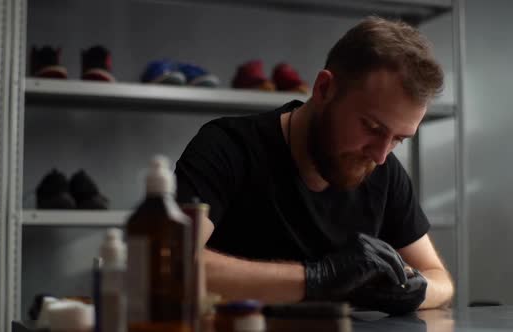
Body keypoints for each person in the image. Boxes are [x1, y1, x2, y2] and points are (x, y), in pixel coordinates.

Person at [175, 16, 454, 314]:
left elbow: (440, 280)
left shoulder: (384, 170)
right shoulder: (227, 147)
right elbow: (172, 264)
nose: (381, 154)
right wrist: (317, 279)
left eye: (399, 138)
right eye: (372, 127)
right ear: (324, 89)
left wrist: (410, 291)